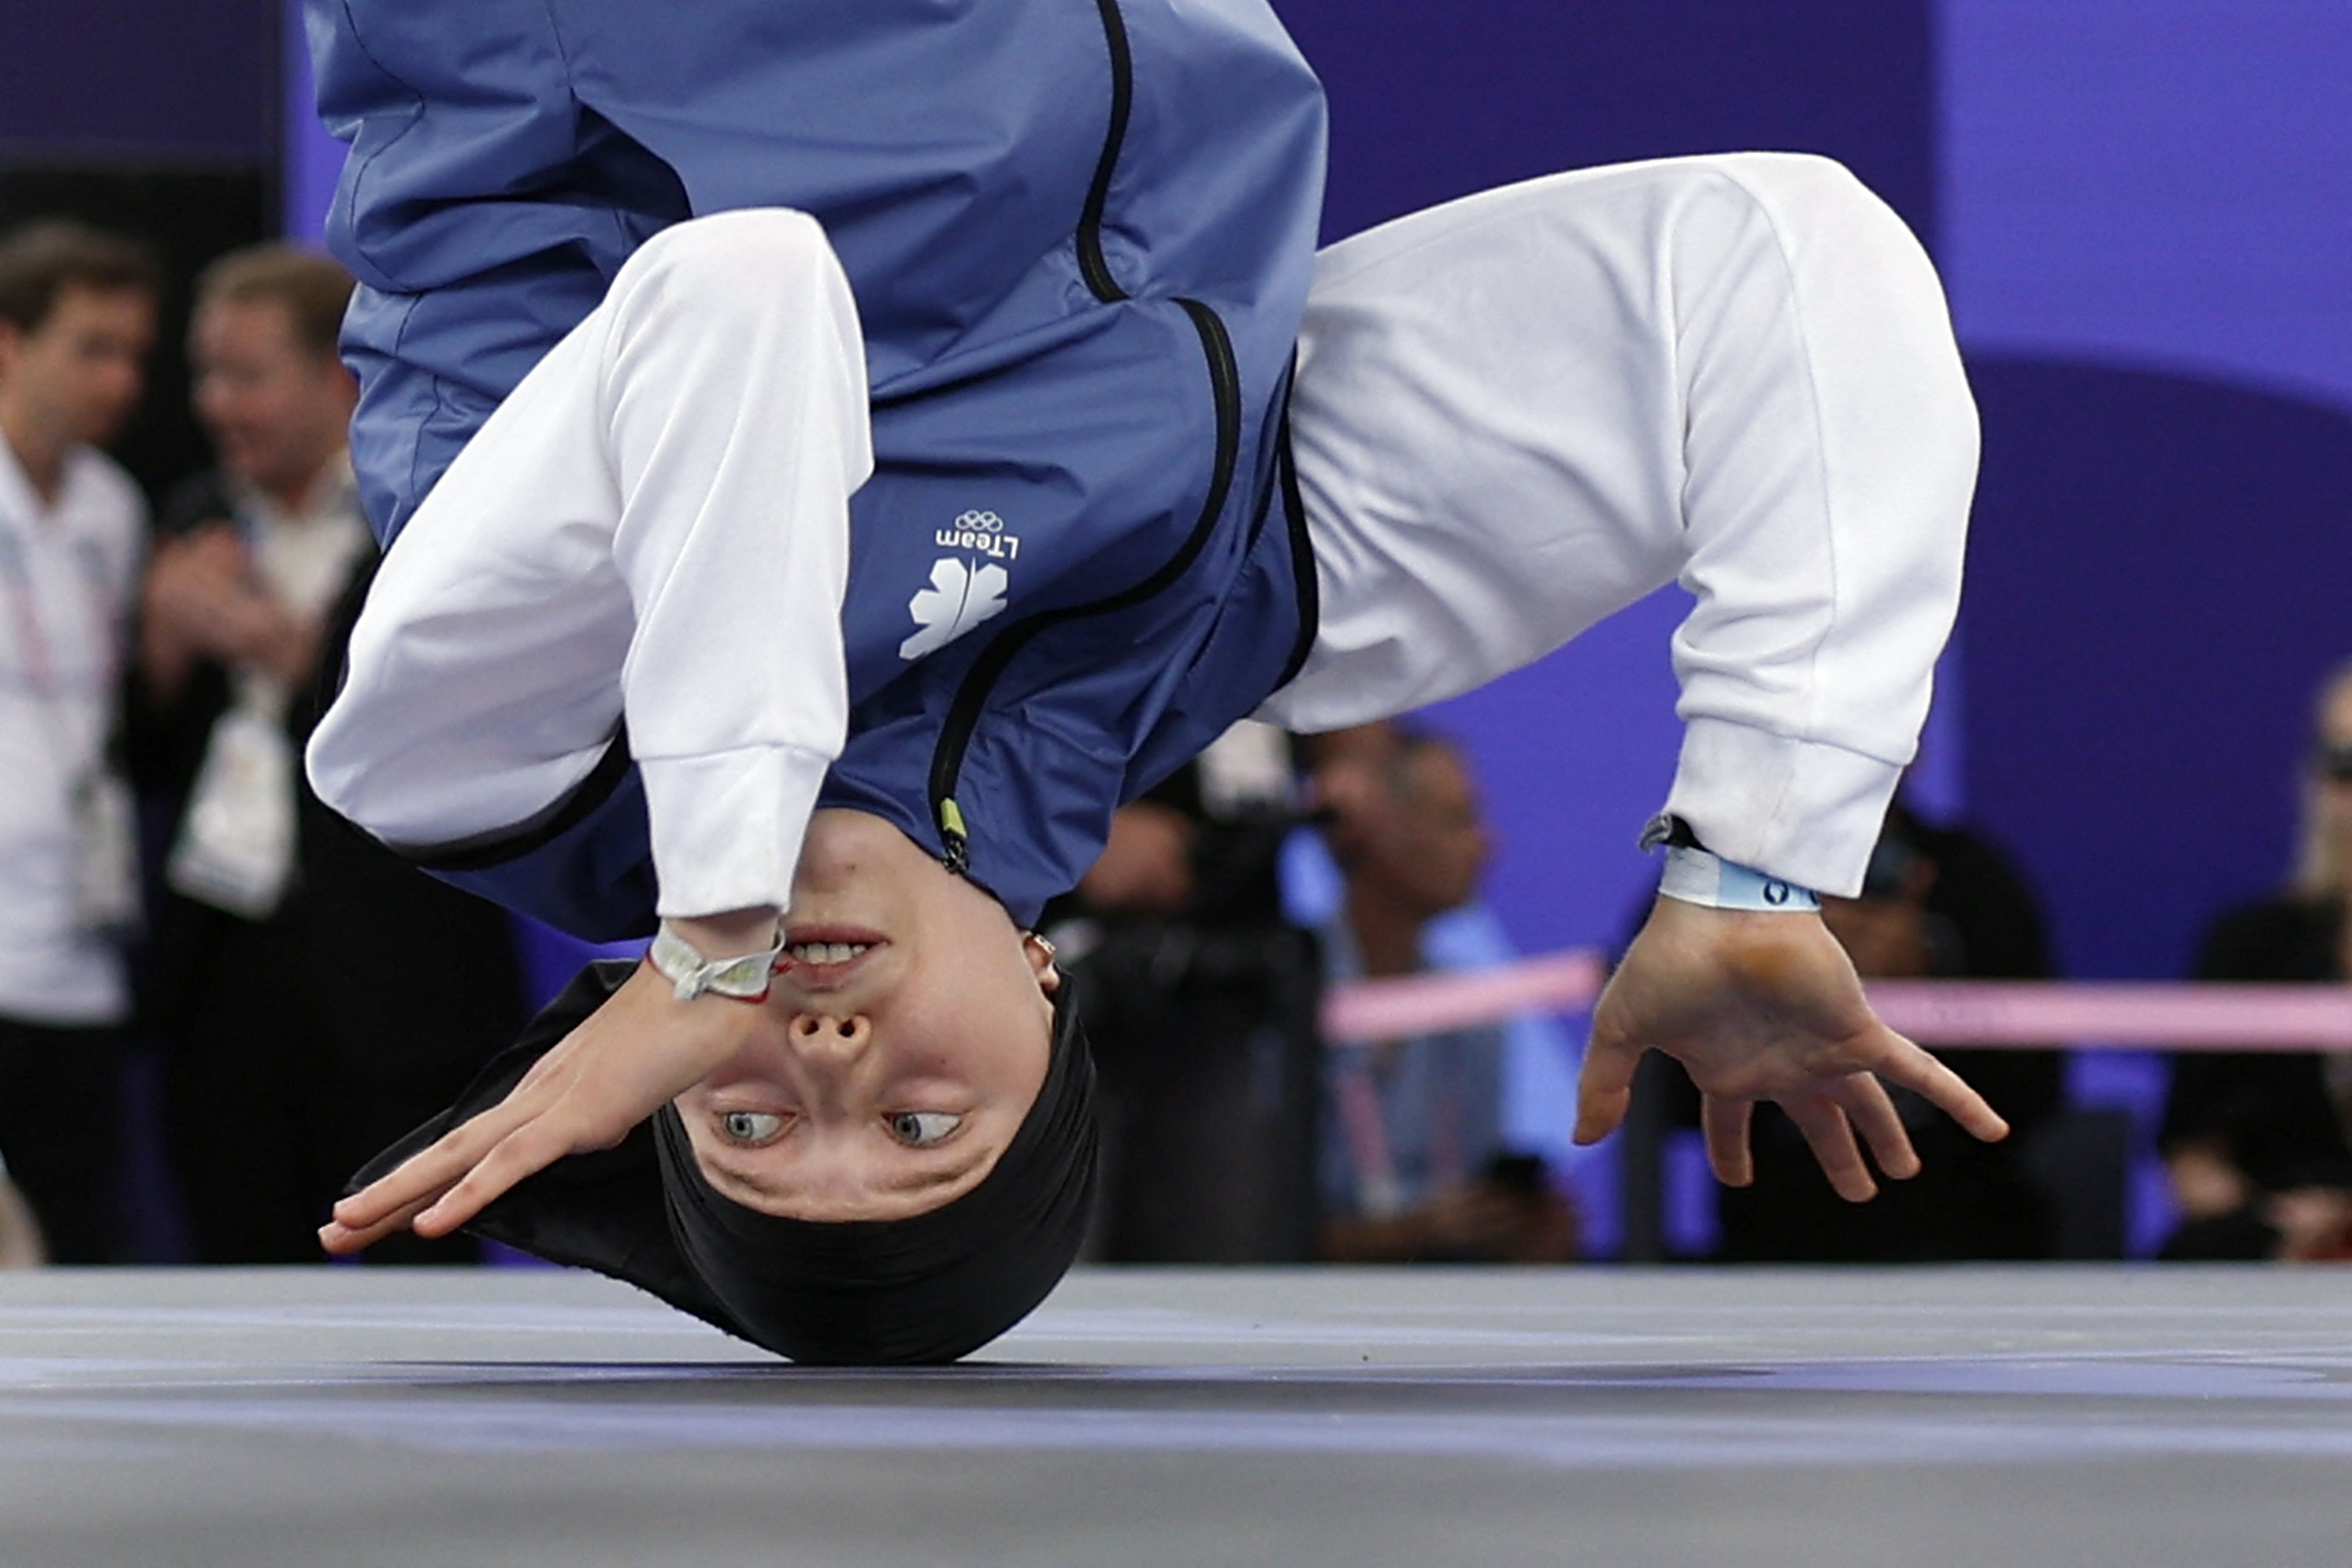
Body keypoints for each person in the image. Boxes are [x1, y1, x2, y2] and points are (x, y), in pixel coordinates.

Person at [300, 0, 2003, 1362]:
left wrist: (714, 910)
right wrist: (1757, 859)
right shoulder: (1250, 614)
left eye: (747, 1117)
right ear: (1049, 998)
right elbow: (1774, 262)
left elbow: (740, 294)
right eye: (920, 1121)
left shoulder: (497, 765)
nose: (820, 1048)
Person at [133, 244, 527, 1263]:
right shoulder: (192, 523)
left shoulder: (435, 526)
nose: (218, 404)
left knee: (412, 1283)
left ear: (338, 378)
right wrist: (163, 656)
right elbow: (138, 759)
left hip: (397, 985)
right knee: (235, 1274)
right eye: (205, 374)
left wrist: (299, 660)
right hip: (225, 980)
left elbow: (482, 730)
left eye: (247, 375)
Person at [1696, 799, 2063, 1260]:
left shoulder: (1975, 881)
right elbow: (1662, 1094)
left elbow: (2036, 1091)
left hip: (1961, 1230)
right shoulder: (1721, 875)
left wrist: (1931, 976)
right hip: (1774, 1233)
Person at [0, 220, 157, 1265]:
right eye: (91, 348)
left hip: (84, 945)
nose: (120, 380)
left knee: (82, 1264)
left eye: (136, 355)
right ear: (10, 343)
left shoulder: (116, 507)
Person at [1049, 720, 1324, 1264]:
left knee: (1221, 1271)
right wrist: (1067, 830)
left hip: (1228, 979)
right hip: (1059, 983)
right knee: (1055, 1267)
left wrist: (1349, 750)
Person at [1314, 724, 1578, 1263]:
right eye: (1459, 819)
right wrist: (1396, 1239)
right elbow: (1234, 1228)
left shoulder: (1473, 1015)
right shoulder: (1278, 1002)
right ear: (1372, 829)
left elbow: (1469, 1197)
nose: (1486, 844)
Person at [2160, 660, 2352, 1262]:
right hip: (2277, 1249)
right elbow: (2192, 1158)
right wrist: (2286, 1233)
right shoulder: (2251, 944)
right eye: (2346, 768)